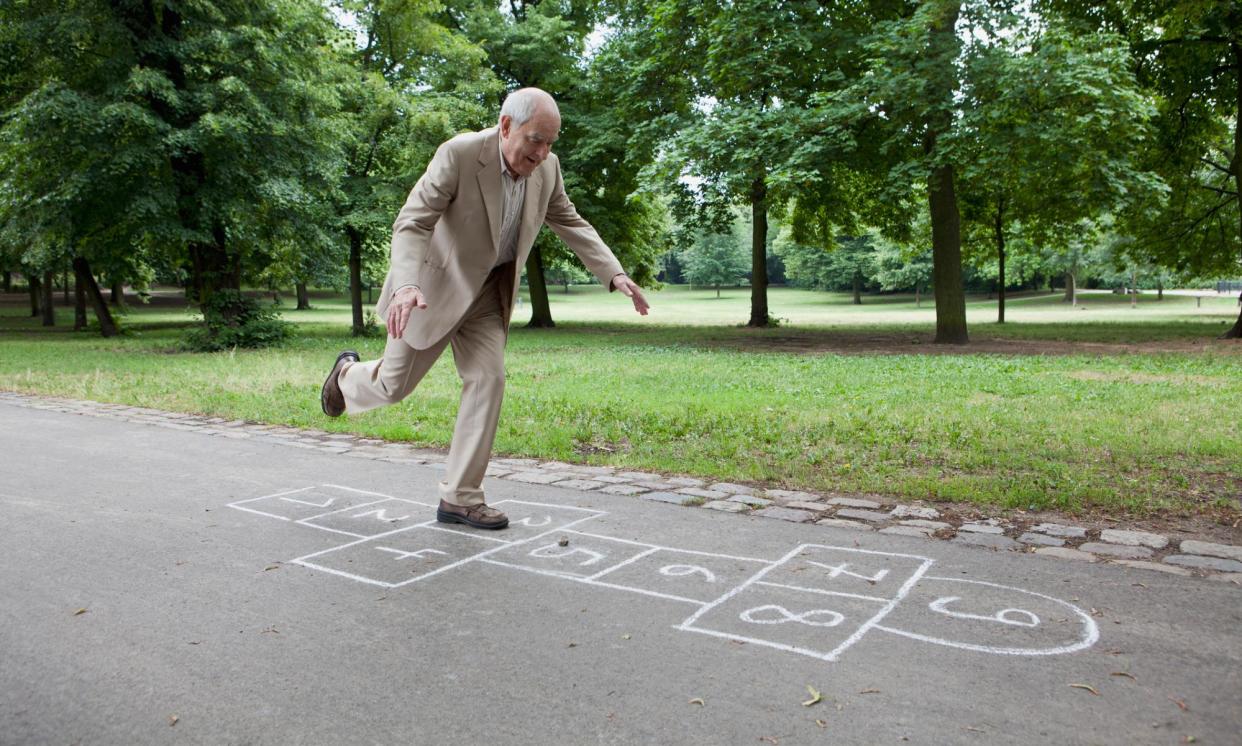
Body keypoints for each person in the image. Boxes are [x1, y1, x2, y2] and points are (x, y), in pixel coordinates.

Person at [319, 87, 649, 530]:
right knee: (393, 386)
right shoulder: (459, 154)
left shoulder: (547, 169)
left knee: (488, 380)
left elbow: (569, 218)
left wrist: (614, 273)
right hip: (431, 290)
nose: (543, 152)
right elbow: (413, 222)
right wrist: (406, 285)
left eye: (551, 142)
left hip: (489, 297)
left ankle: (460, 497)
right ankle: (346, 377)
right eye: (536, 139)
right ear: (506, 125)